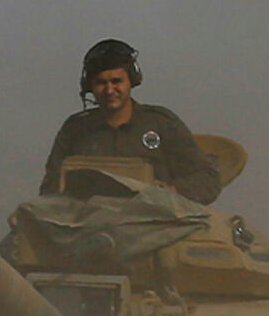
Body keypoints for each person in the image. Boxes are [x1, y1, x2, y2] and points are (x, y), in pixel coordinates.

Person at [39, 39, 221, 205]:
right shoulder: (75, 130)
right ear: (90, 87)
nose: (109, 90)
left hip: (154, 225)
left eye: (116, 81)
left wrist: (172, 190)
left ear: (131, 81)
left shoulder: (161, 123)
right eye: (101, 83)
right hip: (89, 227)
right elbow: (51, 187)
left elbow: (208, 178)